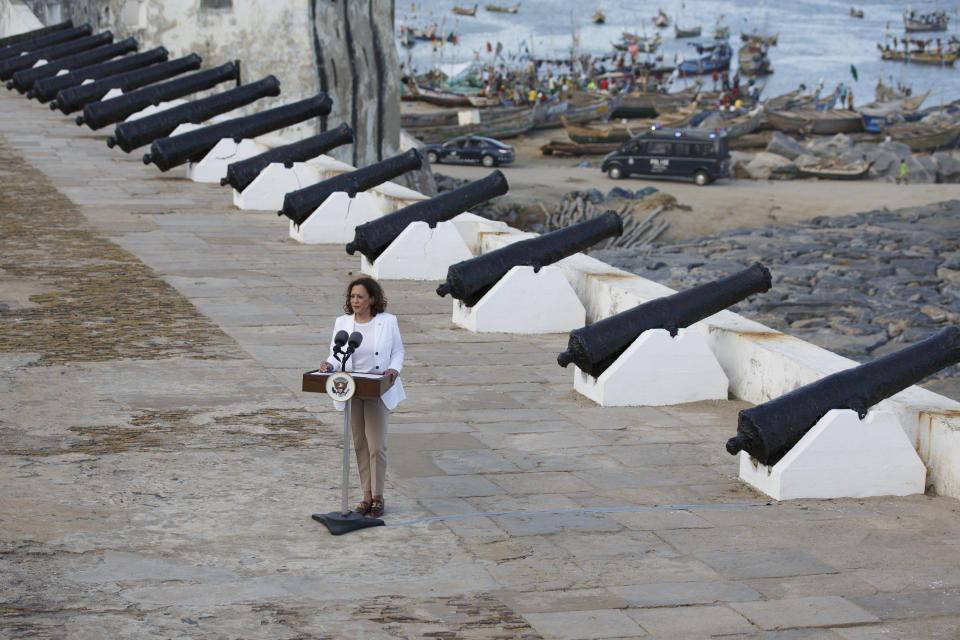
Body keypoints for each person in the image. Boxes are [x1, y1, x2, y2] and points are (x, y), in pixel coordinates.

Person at [318, 277, 405, 518]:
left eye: (360, 297)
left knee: (377, 445)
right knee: (360, 444)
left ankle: (378, 496)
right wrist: (329, 364)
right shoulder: (343, 323)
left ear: (372, 299)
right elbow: (337, 354)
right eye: (352, 296)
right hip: (352, 390)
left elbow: (398, 350)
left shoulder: (387, 322)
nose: (355, 301)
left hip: (377, 389)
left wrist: (394, 369)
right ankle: (365, 495)